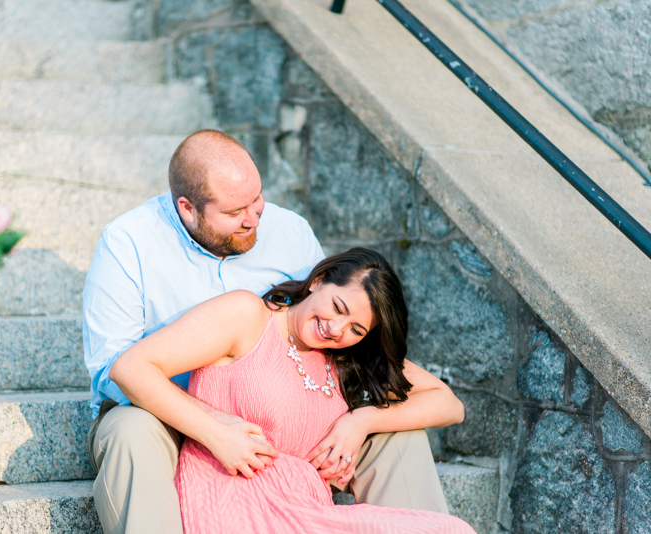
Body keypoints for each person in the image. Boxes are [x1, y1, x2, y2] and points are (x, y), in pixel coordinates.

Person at [83, 129, 461, 534]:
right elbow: (116, 371)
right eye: (234, 213)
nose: (253, 219)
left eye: (257, 202)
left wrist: (362, 420)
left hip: (284, 422)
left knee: (397, 431)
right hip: (161, 410)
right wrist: (211, 423)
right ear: (188, 209)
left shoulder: (290, 231)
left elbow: (329, 326)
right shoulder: (128, 242)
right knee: (132, 432)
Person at [109, 248, 472, 533]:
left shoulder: (346, 359)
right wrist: (216, 433)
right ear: (319, 281)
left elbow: (449, 405)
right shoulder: (248, 317)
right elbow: (130, 368)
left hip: (309, 513)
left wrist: (361, 420)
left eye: (356, 329)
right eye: (338, 307)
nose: (336, 328)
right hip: (230, 498)